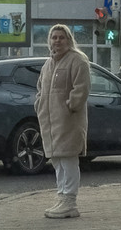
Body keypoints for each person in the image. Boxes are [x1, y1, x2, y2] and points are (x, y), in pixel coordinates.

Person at [35, 23, 90, 219]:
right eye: (54, 37)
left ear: (69, 40)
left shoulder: (78, 60)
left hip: (68, 121)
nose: (57, 41)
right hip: (50, 122)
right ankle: (61, 196)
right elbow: (40, 89)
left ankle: (70, 201)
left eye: (61, 37)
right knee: (57, 160)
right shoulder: (48, 64)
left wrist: (70, 106)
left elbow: (81, 88)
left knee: (68, 159)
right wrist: (39, 105)